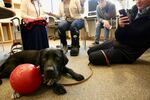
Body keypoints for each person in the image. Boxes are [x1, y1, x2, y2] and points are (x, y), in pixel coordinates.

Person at [87, 0, 150, 65]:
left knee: (92, 57)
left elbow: (135, 38)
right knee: (90, 51)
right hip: (120, 43)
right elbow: (119, 36)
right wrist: (120, 26)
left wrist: (123, 32)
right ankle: (100, 42)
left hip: (127, 52)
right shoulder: (135, 8)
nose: (138, 1)